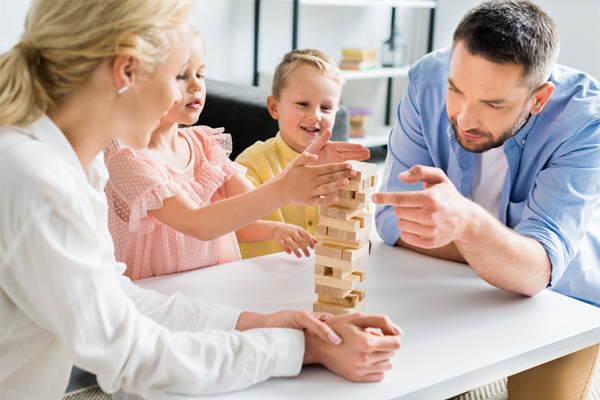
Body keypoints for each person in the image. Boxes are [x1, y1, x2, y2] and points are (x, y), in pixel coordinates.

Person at [0, 1, 402, 399]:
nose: (186, 92)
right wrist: (304, 348)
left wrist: (263, 323)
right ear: (126, 72)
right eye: (177, 75)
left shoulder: (76, 165)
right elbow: (133, 354)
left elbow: (116, 296)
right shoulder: (37, 182)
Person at [372, 1, 599, 399]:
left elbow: (537, 272)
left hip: (561, 298)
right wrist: (496, 252)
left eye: (494, 104)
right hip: (451, 284)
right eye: (456, 91)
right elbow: (394, 220)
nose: (464, 118)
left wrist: (466, 225)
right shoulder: (428, 78)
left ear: (539, 98)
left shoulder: (585, 120)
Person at [104, 28, 349, 280]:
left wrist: (304, 167)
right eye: (180, 74)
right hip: (155, 298)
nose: (196, 84)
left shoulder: (205, 144)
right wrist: (287, 189)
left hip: (215, 285)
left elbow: (252, 200)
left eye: (200, 73)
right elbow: (197, 223)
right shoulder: (125, 158)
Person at [235, 49, 371, 259]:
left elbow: (357, 217)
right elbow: (233, 226)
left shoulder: (344, 166)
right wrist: (274, 230)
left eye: (325, 107)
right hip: (263, 278)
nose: (314, 116)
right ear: (274, 107)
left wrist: (359, 234)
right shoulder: (251, 163)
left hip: (321, 276)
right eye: (303, 104)